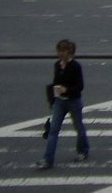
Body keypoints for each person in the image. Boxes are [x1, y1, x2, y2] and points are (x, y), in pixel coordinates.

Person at [37, 39, 89, 169]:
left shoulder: (75, 66)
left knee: (79, 128)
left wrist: (67, 89)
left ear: (69, 52)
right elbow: (55, 82)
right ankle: (48, 159)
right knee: (53, 130)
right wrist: (53, 99)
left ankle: (83, 150)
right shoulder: (57, 65)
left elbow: (80, 86)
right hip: (60, 101)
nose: (60, 54)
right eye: (59, 51)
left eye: (63, 51)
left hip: (73, 101)